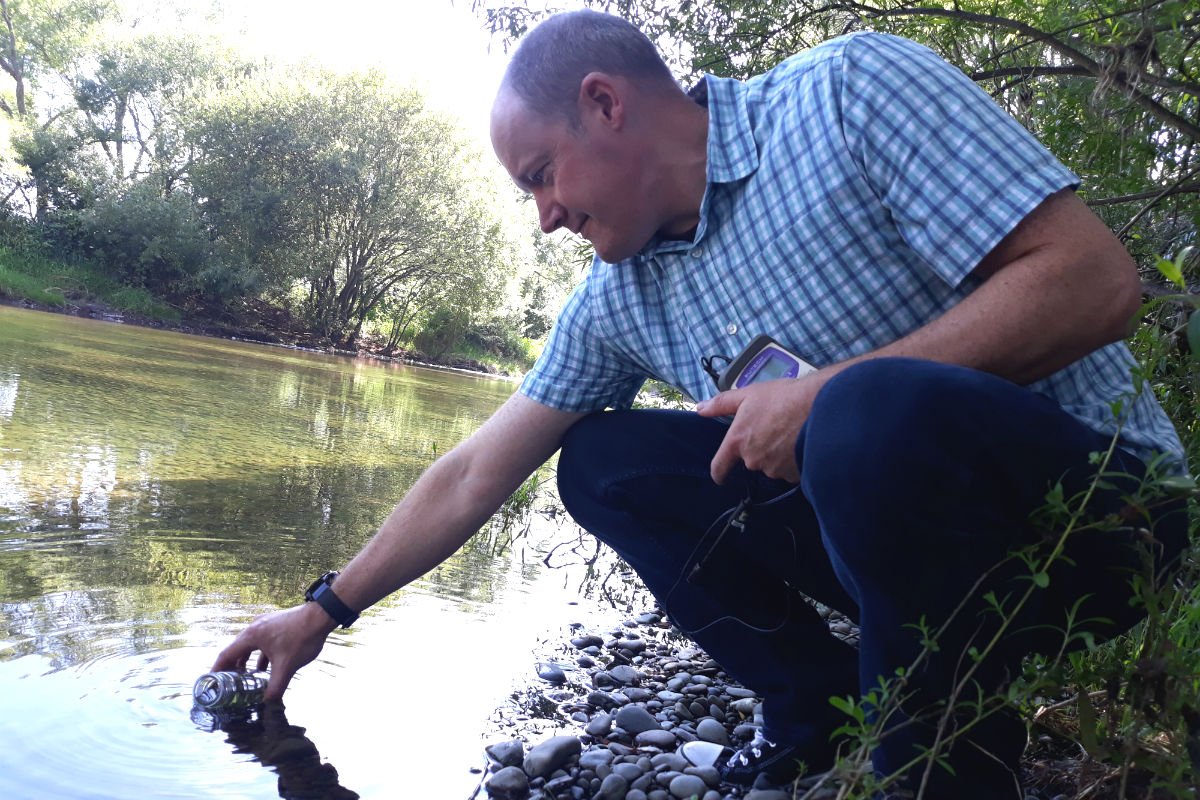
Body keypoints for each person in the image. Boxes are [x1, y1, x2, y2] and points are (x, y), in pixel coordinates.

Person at [215, 10, 1189, 796]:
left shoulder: (848, 94)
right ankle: (812, 708)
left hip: (1103, 519)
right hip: (900, 550)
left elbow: (1096, 280)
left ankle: (933, 765)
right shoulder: (621, 294)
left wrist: (830, 390)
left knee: (862, 408)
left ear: (605, 104)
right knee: (601, 465)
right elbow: (477, 467)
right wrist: (324, 609)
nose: (544, 214)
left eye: (540, 176)